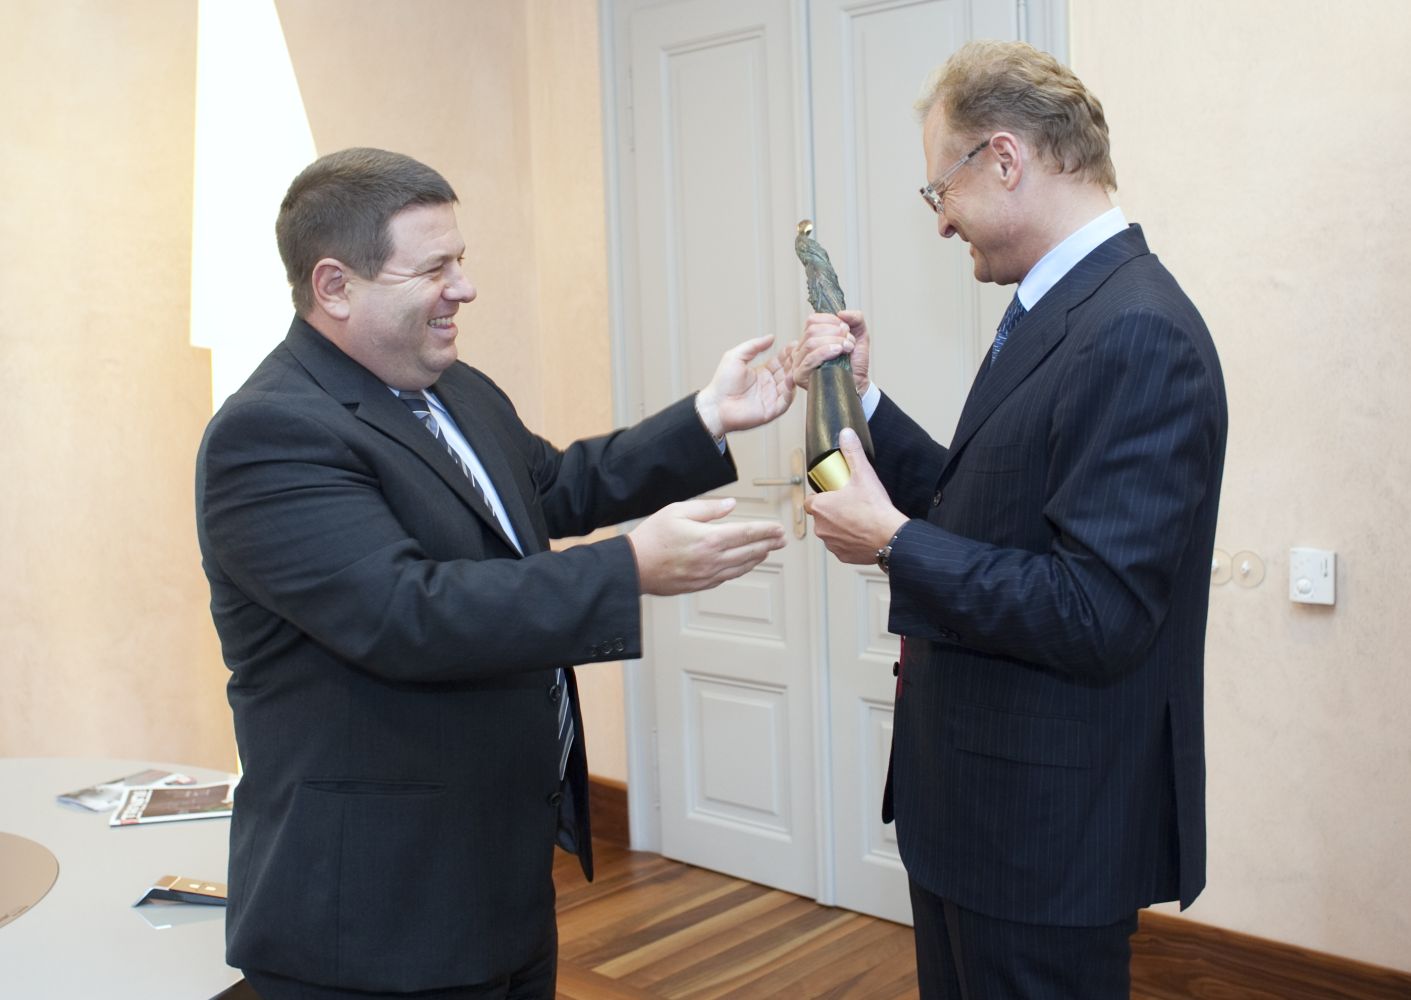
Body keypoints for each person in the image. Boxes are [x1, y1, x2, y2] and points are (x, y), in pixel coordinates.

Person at [196, 147, 796, 1000]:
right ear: (334, 286)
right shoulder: (269, 433)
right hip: (372, 912)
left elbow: (551, 487)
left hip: (494, 877)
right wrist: (628, 567)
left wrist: (706, 419)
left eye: (461, 260)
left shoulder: (453, 387)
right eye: (434, 268)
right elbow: (404, 614)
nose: (465, 289)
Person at [790, 41, 1227, 999]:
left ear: (1003, 158)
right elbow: (990, 504)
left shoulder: (1136, 329)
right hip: (979, 816)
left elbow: (1096, 611)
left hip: (1044, 840)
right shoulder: (1063, 305)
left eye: (937, 190)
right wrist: (865, 401)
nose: (940, 221)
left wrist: (892, 541)